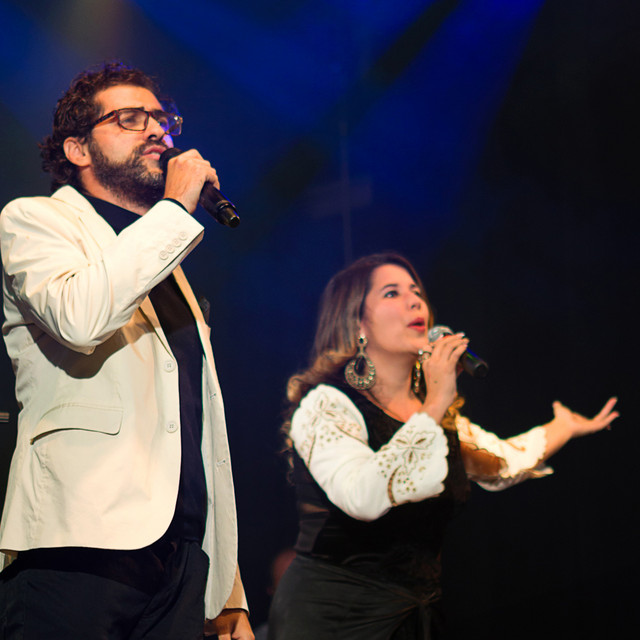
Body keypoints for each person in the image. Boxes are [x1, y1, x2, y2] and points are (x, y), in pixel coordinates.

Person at [0, 62, 253, 640]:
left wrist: (228, 589)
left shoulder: (166, 260)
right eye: (131, 119)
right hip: (79, 541)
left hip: (182, 559)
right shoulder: (34, 220)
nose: (157, 131)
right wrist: (176, 209)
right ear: (78, 149)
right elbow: (80, 318)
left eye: (163, 120)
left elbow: (197, 432)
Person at [267, 252, 618, 640]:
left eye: (416, 292)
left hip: (414, 619)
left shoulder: (437, 418)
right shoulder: (327, 404)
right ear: (358, 323)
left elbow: (503, 461)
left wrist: (562, 426)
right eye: (392, 293)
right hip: (331, 620)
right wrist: (435, 401)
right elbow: (361, 496)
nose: (415, 301)